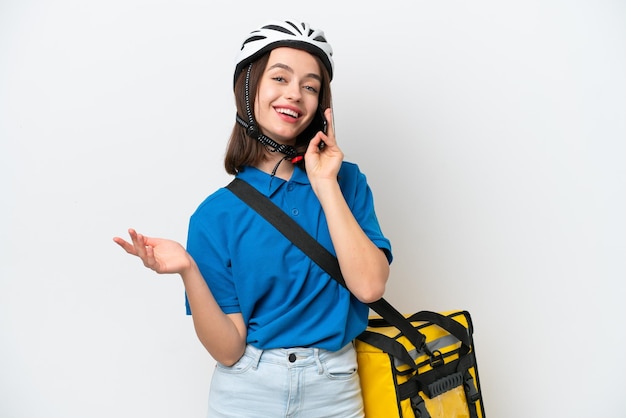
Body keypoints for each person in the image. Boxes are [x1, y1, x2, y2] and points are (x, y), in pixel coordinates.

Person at [113, 19, 392, 418]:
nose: (294, 94)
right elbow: (228, 349)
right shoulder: (216, 214)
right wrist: (189, 271)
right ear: (248, 90)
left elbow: (369, 287)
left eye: (310, 86)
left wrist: (324, 181)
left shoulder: (346, 181)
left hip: (333, 386)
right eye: (280, 78)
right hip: (247, 390)